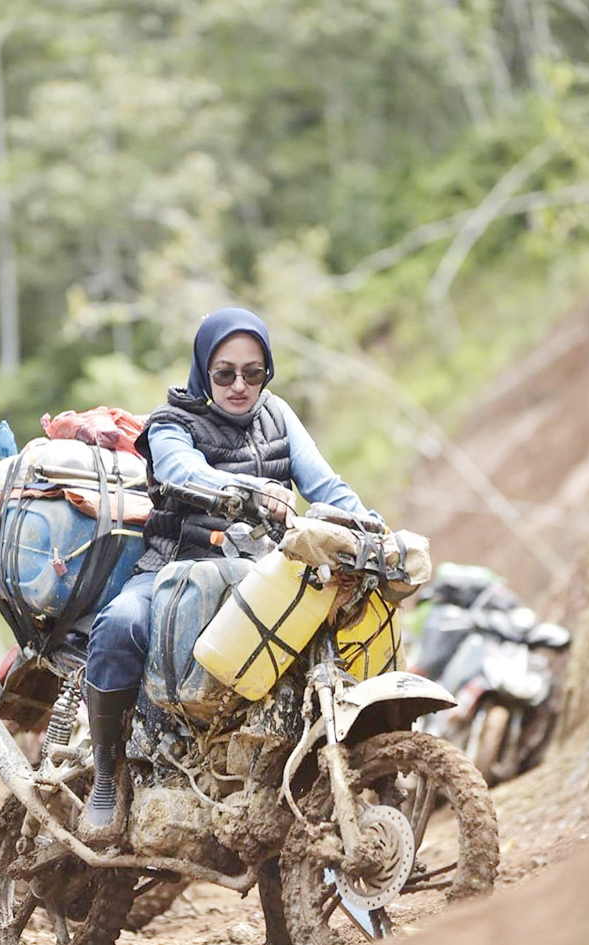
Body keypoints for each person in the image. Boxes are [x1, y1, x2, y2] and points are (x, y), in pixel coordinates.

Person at [81, 307, 381, 839]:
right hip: (176, 570)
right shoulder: (171, 423)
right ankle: (107, 774)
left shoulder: (279, 416)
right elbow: (180, 470)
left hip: (261, 573)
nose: (240, 385)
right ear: (204, 372)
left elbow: (326, 487)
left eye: (253, 372)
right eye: (225, 373)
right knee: (120, 625)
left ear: (268, 372)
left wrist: (370, 526)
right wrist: (245, 491)